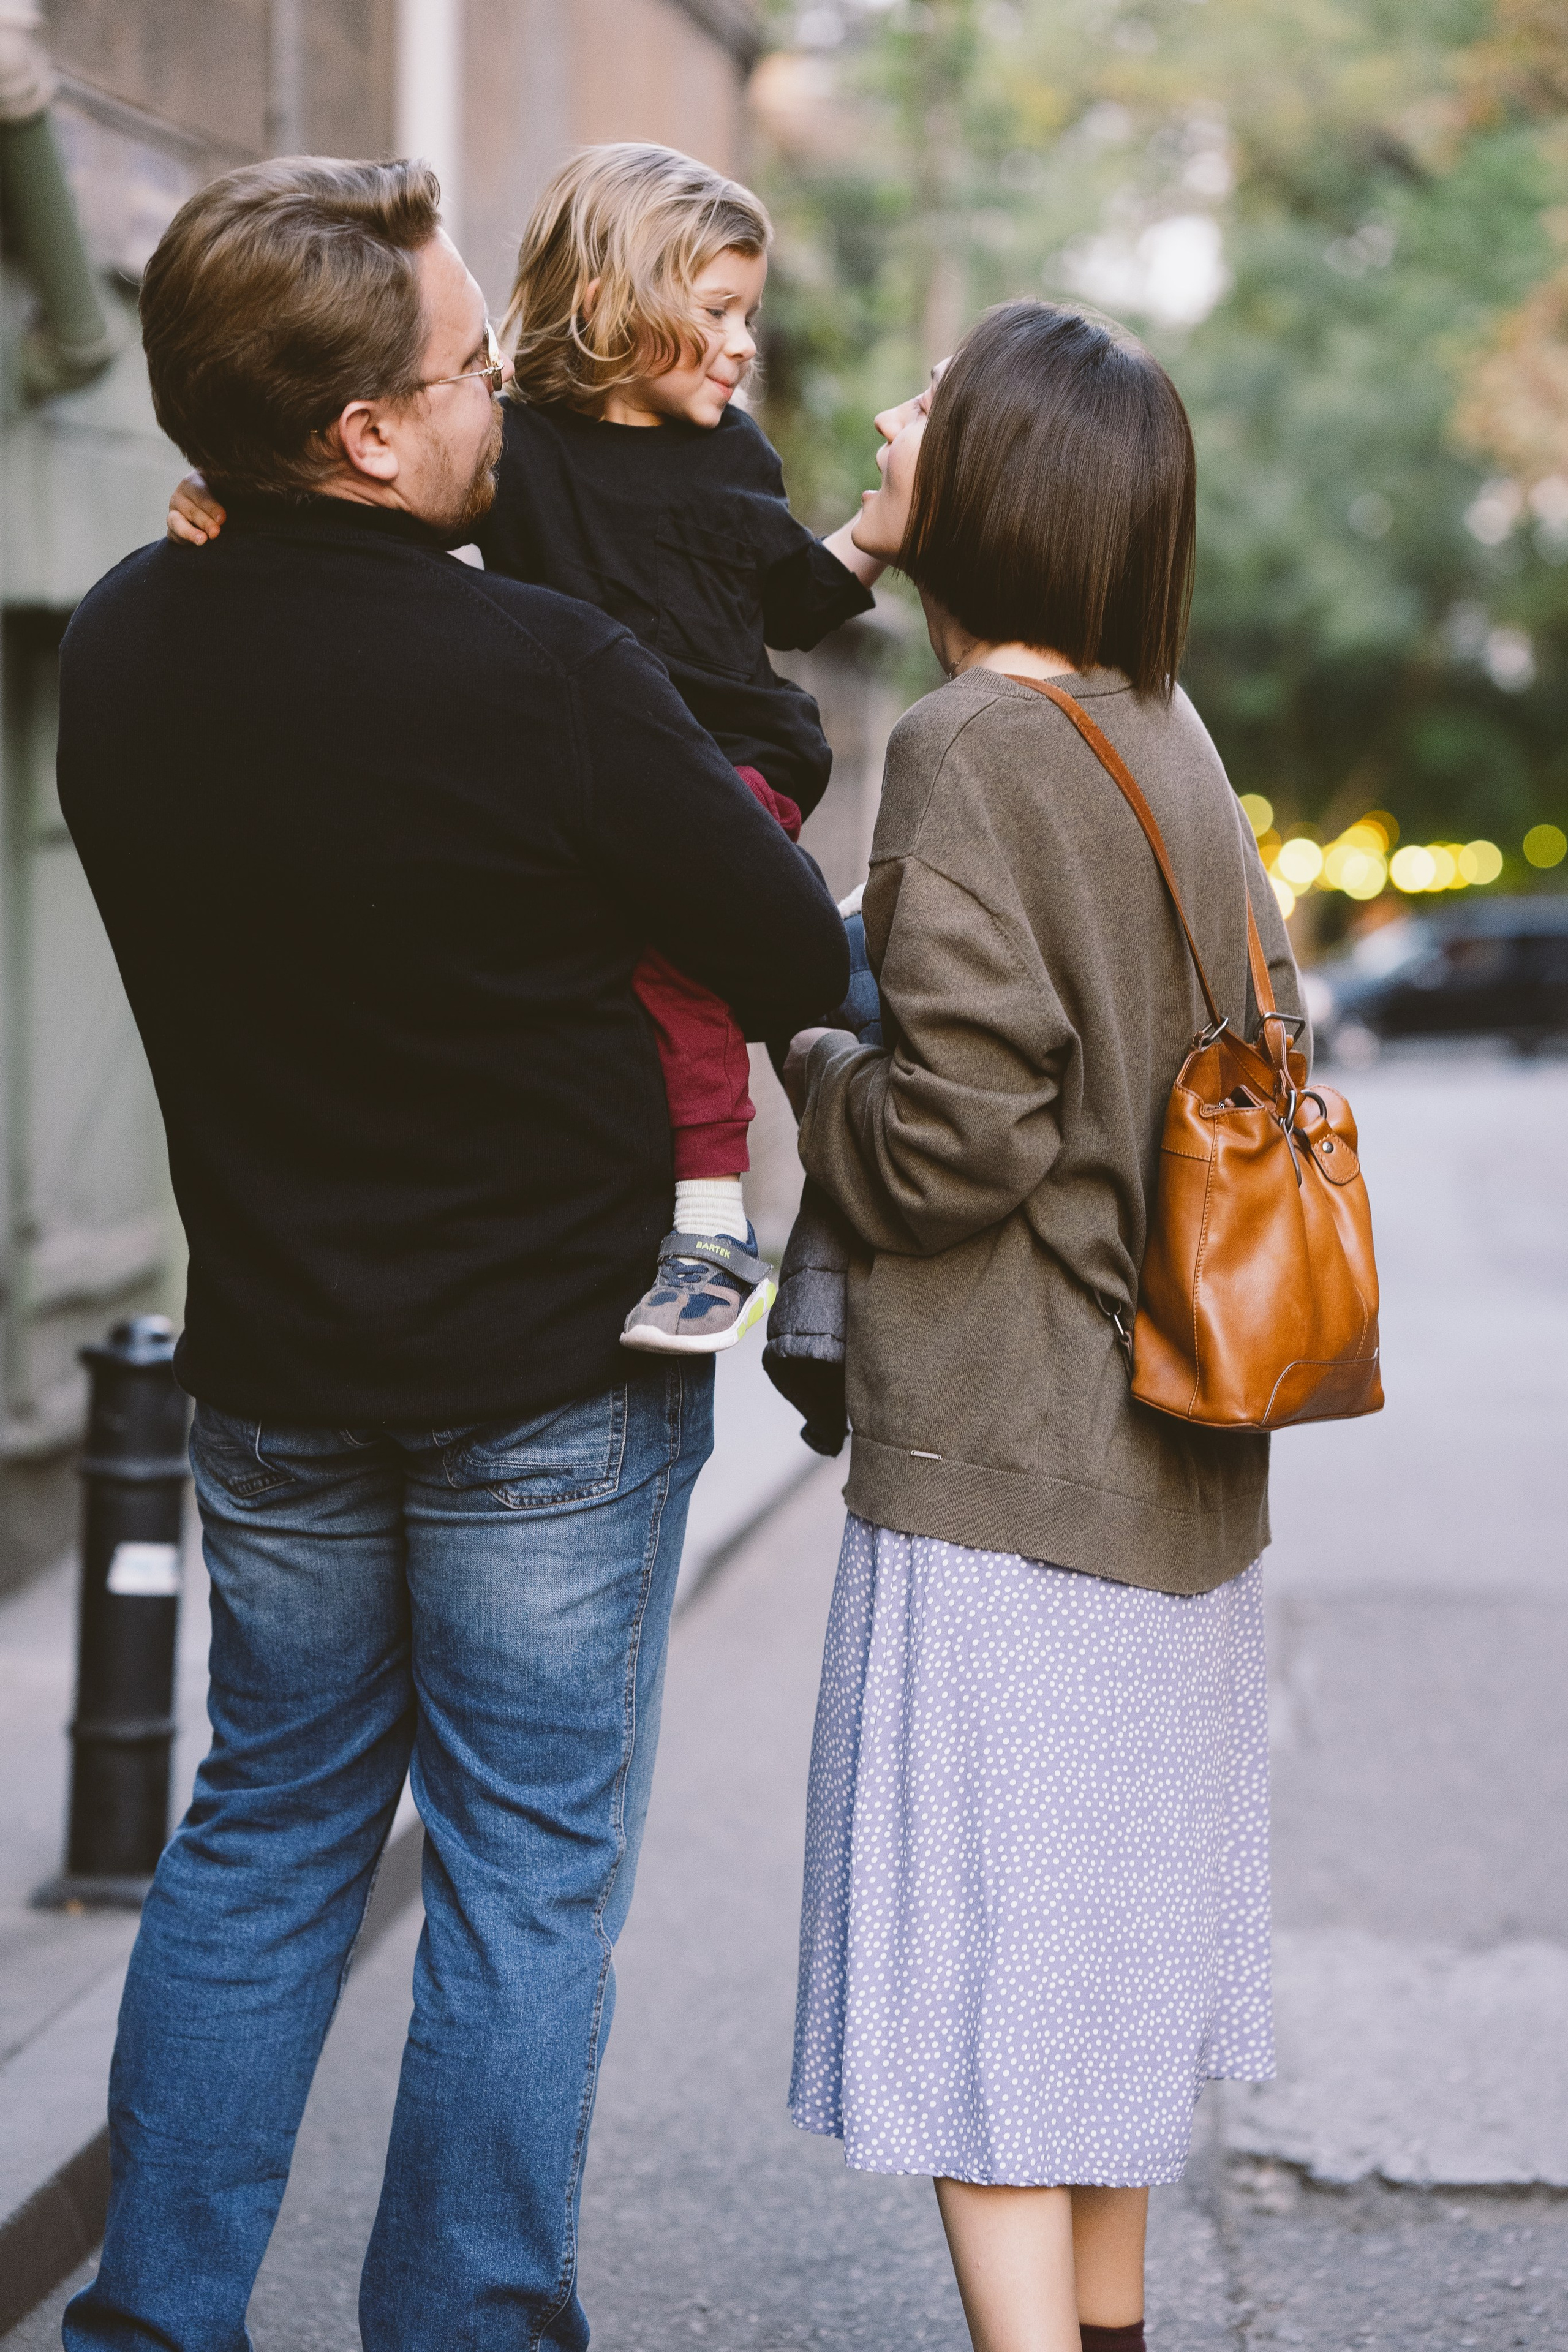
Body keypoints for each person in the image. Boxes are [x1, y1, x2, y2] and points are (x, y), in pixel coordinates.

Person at [58, 156, 847, 2352]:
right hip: (558, 1389)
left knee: (261, 1837)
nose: (506, 398)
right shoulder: (552, 675)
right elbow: (790, 944)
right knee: (522, 1880)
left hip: (277, 1369)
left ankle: (157, 2320)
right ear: (371, 434)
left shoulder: (122, 642)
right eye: (473, 371)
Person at [780, 301, 1302, 2352]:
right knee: (1090, 2018)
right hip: (1174, 1471)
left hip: (1015, 1482)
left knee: (990, 2009)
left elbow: (950, 1146)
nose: (898, 421)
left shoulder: (973, 746)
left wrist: (814, 1050)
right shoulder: (1170, 732)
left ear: (995, 487)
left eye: (938, 405)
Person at [168, 141, 891, 1362]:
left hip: (737, 756)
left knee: (709, 969)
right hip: (604, 781)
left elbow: (789, 605)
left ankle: (722, 1227)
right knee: (716, 986)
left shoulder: (735, 459)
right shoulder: (514, 451)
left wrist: (884, 526)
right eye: (715, 311)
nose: (745, 342)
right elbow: (373, 527)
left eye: (749, 314)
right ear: (610, 303)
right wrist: (227, 496)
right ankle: (812, 1266)